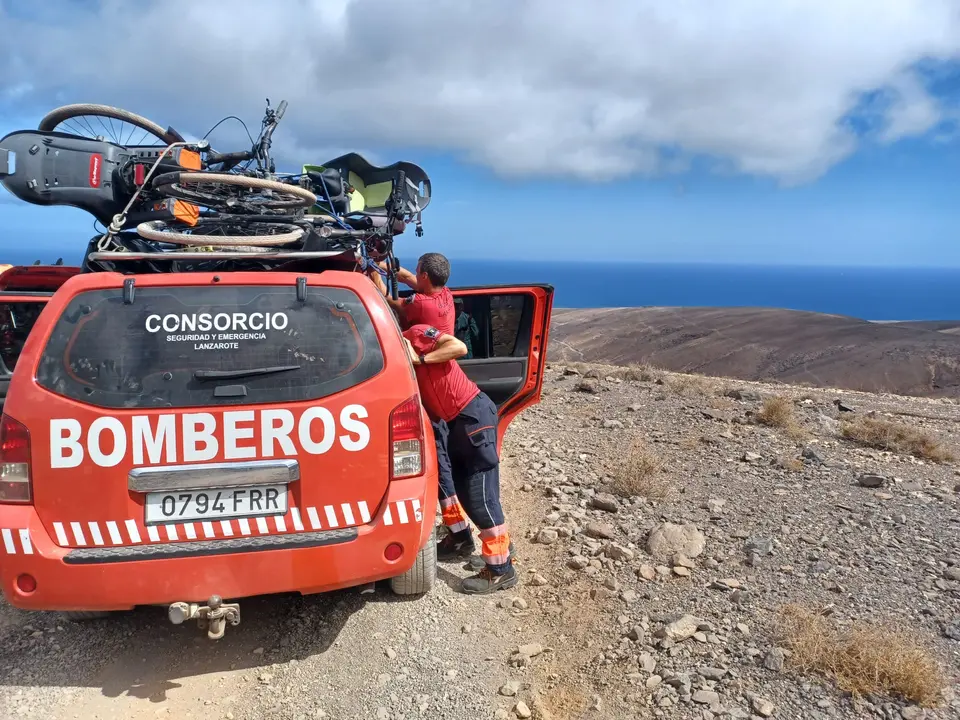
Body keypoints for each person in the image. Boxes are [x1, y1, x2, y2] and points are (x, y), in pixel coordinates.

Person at [366, 254, 473, 559]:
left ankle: (458, 533)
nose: (415, 275)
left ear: (425, 275)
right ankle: (459, 527)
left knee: (439, 467)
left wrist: (371, 274)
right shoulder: (444, 296)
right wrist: (378, 263)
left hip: (429, 397)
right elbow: (408, 278)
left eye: (418, 273)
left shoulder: (420, 306)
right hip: (441, 396)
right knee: (444, 462)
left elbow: (388, 301)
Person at [401, 322, 516, 594]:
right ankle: (489, 552)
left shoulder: (416, 334)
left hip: (472, 414)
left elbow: (458, 346)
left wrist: (421, 359)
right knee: (466, 492)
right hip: (457, 423)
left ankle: (500, 569)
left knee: (480, 498)